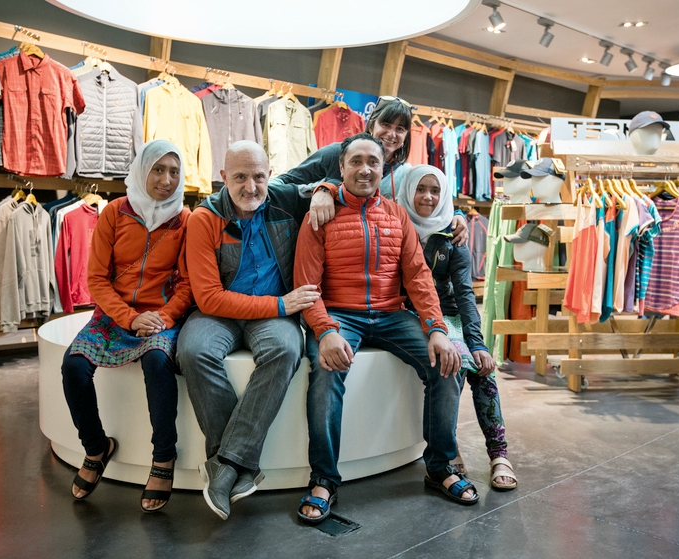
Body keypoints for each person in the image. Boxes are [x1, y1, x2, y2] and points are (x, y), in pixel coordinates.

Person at [294, 133, 479, 525]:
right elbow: (306, 285)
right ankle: (324, 479)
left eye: (373, 162)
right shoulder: (320, 216)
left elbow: (418, 276)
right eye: (356, 162)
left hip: (391, 315)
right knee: (327, 373)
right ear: (341, 168)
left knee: (449, 363)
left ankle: (440, 466)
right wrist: (325, 331)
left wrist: (436, 329)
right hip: (340, 315)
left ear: (383, 168)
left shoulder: (397, 215)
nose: (365, 169)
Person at [177, 140, 322, 520]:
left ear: (270, 175)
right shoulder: (204, 218)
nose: (251, 187)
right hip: (224, 312)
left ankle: (223, 465)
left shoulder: (286, 200)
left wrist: (326, 192)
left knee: (286, 350)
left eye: (259, 176)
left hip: (273, 317)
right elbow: (208, 298)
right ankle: (238, 463)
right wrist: (281, 304)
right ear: (223, 177)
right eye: (240, 177)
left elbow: (337, 174)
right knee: (193, 350)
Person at [61, 140, 192, 513]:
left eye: (174, 172)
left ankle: (164, 457)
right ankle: (96, 447)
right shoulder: (115, 213)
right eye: (157, 169)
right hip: (116, 314)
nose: (166, 180)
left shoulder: (185, 221)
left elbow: (187, 284)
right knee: (73, 365)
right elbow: (97, 279)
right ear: (141, 170)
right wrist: (129, 317)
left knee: (156, 363)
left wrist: (163, 318)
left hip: (161, 316)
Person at [397, 165, 517, 491]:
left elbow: (464, 292)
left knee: (479, 365)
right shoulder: (395, 225)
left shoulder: (453, 233)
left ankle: (498, 454)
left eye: (435, 190)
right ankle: (449, 447)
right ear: (408, 190)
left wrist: (477, 343)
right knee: (453, 363)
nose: (427, 197)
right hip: (409, 315)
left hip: (448, 314)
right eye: (420, 189)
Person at [271, 95, 469, 243]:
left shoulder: (406, 173)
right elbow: (280, 184)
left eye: (400, 129)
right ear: (372, 123)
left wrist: (457, 216)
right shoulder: (335, 154)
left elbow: (429, 208)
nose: (392, 134)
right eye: (386, 124)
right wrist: (321, 189)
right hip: (322, 249)